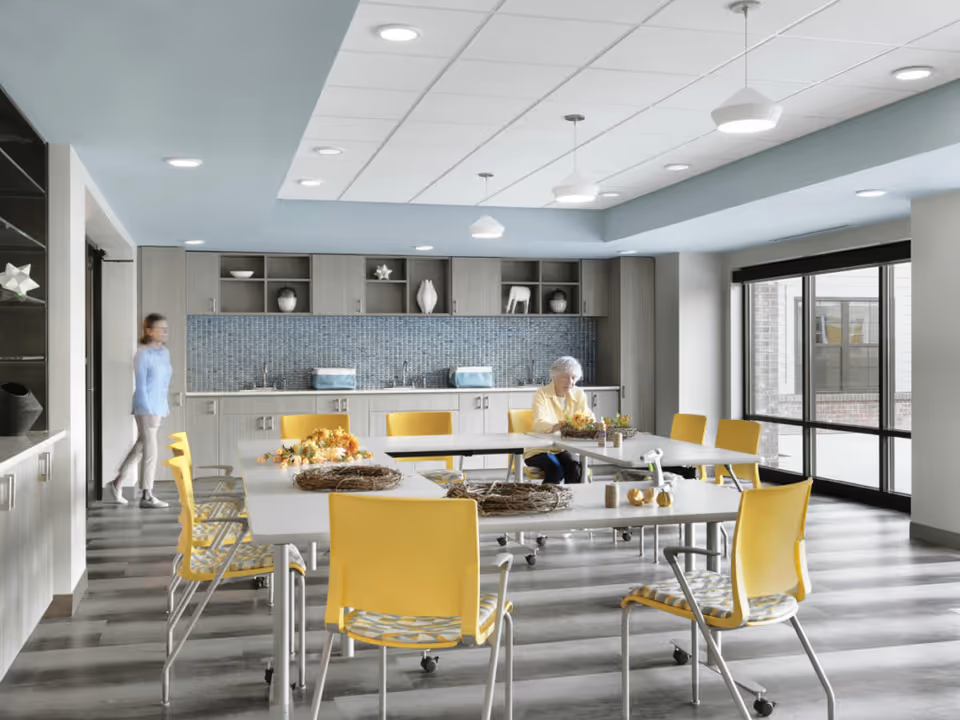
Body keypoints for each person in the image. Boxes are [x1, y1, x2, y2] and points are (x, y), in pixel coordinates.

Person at [107, 313, 172, 508]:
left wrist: (163, 406)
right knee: (151, 450)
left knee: (141, 446)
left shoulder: (164, 353)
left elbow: (163, 383)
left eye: (166, 328)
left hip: (158, 407)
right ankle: (147, 495)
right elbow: (142, 385)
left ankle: (116, 483)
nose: (165, 331)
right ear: (149, 331)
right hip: (146, 407)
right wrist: (148, 409)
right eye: (160, 328)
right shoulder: (142, 354)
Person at [526, 356, 594, 484]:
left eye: (573, 378)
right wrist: (559, 426)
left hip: (563, 448)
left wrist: (584, 424)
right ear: (554, 377)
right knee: (555, 469)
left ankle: (572, 501)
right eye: (565, 377)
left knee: (575, 467)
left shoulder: (579, 394)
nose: (570, 382)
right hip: (539, 449)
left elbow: (589, 418)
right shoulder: (541, 394)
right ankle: (549, 502)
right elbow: (539, 422)